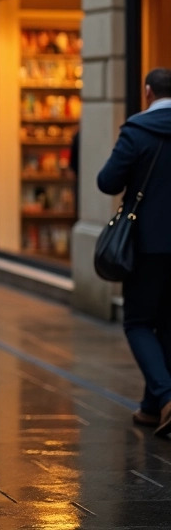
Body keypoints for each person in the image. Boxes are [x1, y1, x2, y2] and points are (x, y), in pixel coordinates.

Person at [98, 67, 171, 435]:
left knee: (139, 321)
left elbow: (107, 181)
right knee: (167, 323)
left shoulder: (138, 131)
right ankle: (151, 406)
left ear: (147, 92)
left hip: (145, 245)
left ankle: (167, 395)